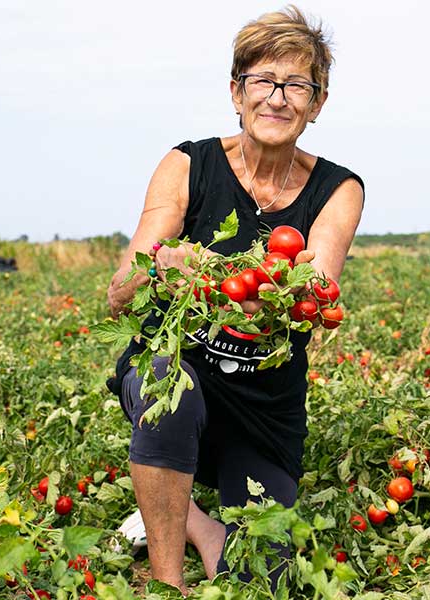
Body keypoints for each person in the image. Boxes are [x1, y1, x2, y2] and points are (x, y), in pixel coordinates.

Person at [105, 5, 364, 593]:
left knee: (262, 575)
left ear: (316, 104)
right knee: (168, 389)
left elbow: (315, 289)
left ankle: (194, 517)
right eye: (262, 81)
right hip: (182, 367)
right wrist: (158, 264)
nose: (277, 97)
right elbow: (119, 294)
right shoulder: (188, 164)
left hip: (263, 404)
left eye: (296, 84)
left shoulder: (339, 188)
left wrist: (280, 289)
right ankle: (166, 578)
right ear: (236, 91)